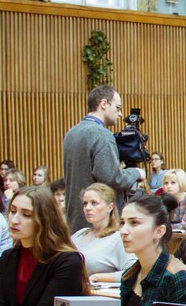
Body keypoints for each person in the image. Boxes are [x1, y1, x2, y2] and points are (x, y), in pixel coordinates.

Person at [62, 85, 145, 233]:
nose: (120, 114)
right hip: (98, 223)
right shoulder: (102, 134)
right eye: (118, 107)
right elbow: (112, 177)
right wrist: (136, 173)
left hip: (75, 218)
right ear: (104, 104)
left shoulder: (71, 133)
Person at [71, 183, 133, 283]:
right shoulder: (79, 234)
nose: (87, 208)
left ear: (110, 207)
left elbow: (134, 273)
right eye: (85, 203)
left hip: (97, 295)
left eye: (94, 203)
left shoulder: (119, 238)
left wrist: (97, 277)